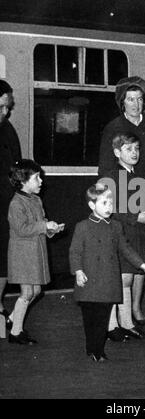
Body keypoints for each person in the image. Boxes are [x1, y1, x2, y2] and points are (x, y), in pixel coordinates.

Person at [98, 76, 145, 324]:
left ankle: (136, 309)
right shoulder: (113, 127)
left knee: (143, 255)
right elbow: (105, 168)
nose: (135, 104)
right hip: (125, 196)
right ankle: (121, 316)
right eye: (130, 99)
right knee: (127, 257)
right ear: (122, 102)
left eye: (139, 99)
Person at [69, 183, 145, 362]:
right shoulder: (82, 226)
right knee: (90, 317)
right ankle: (91, 347)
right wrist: (77, 271)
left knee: (102, 317)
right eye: (104, 203)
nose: (109, 207)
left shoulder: (115, 226)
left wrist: (141, 264)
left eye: (110, 203)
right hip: (88, 279)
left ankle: (98, 350)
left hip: (108, 279)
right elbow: (75, 251)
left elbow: (125, 248)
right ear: (92, 205)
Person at [100, 133, 145, 340]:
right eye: (128, 149)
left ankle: (127, 323)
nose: (134, 153)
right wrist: (136, 217)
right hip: (121, 233)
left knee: (129, 279)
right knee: (122, 280)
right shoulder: (111, 176)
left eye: (137, 148)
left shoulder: (138, 176)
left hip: (137, 234)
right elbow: (107, 207)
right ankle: (112, 325)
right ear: (117, 152)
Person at [6, 159, 64, 344]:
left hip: (35, 252)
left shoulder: (37, 199)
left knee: (36, 290)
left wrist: (50, 229)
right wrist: (43, 225)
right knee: (27, 293)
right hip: (23, 255)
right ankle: (16, 332)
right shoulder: (16, 204)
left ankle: (13, 318)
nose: (41, 182)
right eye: (37, 178)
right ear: (23, 181)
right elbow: (21, 229)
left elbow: (40, 223)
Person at [0, 80, 22, 321]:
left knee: (3, 261)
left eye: (7, 107)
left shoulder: (7, 130)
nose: (6, 112)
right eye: (2, 107)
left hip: (4, 207)